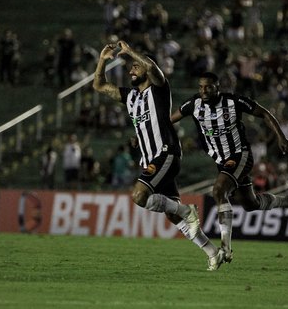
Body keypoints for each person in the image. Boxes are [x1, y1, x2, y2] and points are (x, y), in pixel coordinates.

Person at [93, 40, 225, 271]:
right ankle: (213, 252)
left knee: (139, 196)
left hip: (166, 154)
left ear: (145, 67)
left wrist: (131, 52)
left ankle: (188, 210)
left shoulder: (159, 90)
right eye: (130, 66)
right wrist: (102, 61)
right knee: (172, 215)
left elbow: (154, 69)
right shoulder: (131, 97)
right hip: (152, 159)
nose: (131, 69)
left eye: (135, 66)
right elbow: (100, 85)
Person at [171, 72, 288, 263]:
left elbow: (265, 114)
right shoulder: (194, 104)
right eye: (200, 87)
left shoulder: (234, 102)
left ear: (217, 87)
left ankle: (226, 248)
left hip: (240, 155)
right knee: (251, 204)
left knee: (218, 191)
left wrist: (281, 138)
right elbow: (168, 121)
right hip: (221, 161)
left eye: (208, 87)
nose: (203, 91)